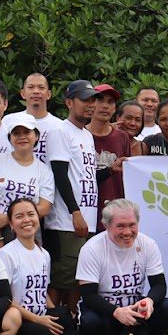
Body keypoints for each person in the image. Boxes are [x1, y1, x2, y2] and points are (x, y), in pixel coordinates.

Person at [75, 200, 168, 335]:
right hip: (105, 310)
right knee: (89, 321)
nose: (127, 232)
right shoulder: (92, 248)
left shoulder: (148, 244)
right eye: (120, 226)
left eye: (132, 225)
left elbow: (159, 285)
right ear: (107, 226)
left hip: (133, 308)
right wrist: (115, 311)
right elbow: (89, 295)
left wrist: (149, 302)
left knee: (167, 307)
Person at [0, 197, 74, 335]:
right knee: (44, 333)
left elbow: (42, 290)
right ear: (11, 223)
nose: (26, 220)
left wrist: (56, 314)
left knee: (70, 332)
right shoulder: (6, 254)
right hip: (19, 318)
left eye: (31, 214)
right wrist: (39, 320)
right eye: (19, 216)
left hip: (39, 313)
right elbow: (4, 298)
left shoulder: (43, 253)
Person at [46, 81, 101, 309]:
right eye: (84, 100)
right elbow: (60, 175)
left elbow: (85, 176)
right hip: (66, 221)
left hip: (86, 218)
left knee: (80, 276)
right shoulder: (60, 131)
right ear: (69, 102)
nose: (91, 105)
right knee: (61, 279)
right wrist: (75, 211)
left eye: (92, 100)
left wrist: (110, 171)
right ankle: (53, 326)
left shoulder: (86, 135)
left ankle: (71, 322)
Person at [0, 113, 55, 242]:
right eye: (16, 133)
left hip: (30, 232)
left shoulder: (44, 170)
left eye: (26, 132)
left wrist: (9, 218)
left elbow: (45, 207)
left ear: (36, 136)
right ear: (10, 138)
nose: (22, 137)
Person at [89, 84, 136, 225]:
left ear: (115, 108)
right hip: (88, 211)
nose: (105, 106)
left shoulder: (122, 137)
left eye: (110, 102)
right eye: (100, 100)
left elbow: (128, 177)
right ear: (90, 103)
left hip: (116, 213)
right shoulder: (80, 136)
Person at [18, 73, 70, 165]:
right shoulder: (10, 121)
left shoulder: (60, 126)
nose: (36, 91)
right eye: (31, 87)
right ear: (23, 93)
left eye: (41, 87)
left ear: (49, 94)